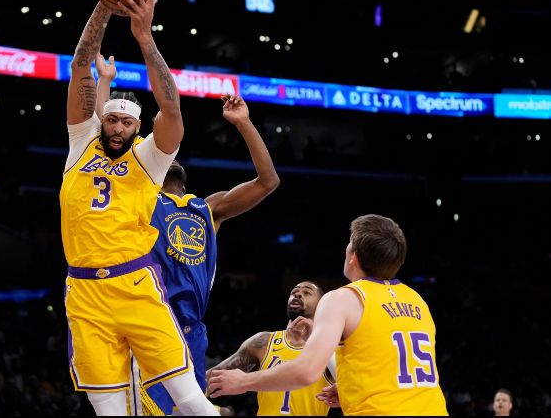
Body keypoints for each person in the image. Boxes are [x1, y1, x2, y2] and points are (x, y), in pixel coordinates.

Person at [60, 0, 218, 416]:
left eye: (126, 123)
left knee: (190, 398)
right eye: (111, 120)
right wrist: (104, 5)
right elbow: (80, 67)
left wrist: (144, 37)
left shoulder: (150, 158)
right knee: (109, 410)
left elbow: (171, 108)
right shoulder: (81, 143)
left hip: (136, 285)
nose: (116, 128)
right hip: (84, 292)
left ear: (138, 127)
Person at [94, 60, 279, 415]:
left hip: (192, 331)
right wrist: (105, 84)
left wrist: (243, 123)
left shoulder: (209, 209)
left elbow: (268, 181)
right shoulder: (139, 197)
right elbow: (104, 142)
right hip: (148, 321)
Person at [207, 214, 448, 416]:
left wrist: (244, 381)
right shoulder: (418, 301)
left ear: (353, 256)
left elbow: (306, 371)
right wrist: (351, 390)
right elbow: (394, 368)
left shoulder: (343, 298)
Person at [207, 281, 332, 416]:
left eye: (307, 292)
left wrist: (319, 337)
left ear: (321, 306)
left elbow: (349, 387)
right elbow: (210, 378)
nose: (298, 294)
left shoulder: (330, 348)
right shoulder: (263, 342)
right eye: (294, 292)